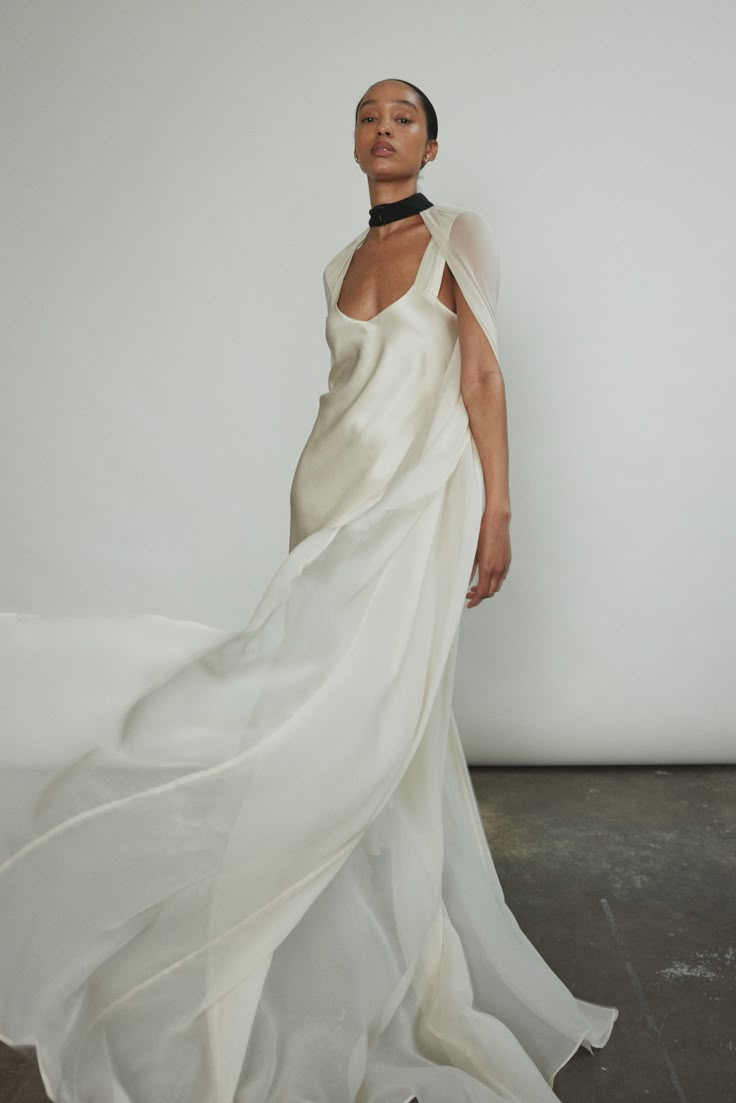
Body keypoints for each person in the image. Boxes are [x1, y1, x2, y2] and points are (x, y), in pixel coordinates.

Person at [0, 78, 618, 1103]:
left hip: (415, 502)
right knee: (305, 700)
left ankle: (391, 938)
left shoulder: (459, 234)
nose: (384, 129)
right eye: (369, 116)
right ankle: (324, 918)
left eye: (404, 117)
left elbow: (479, 379)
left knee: (371, 717)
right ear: (353, 141)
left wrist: (498, 509)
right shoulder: (336, 262)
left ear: (429, 144)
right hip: (325, 499)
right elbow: (341, 395)